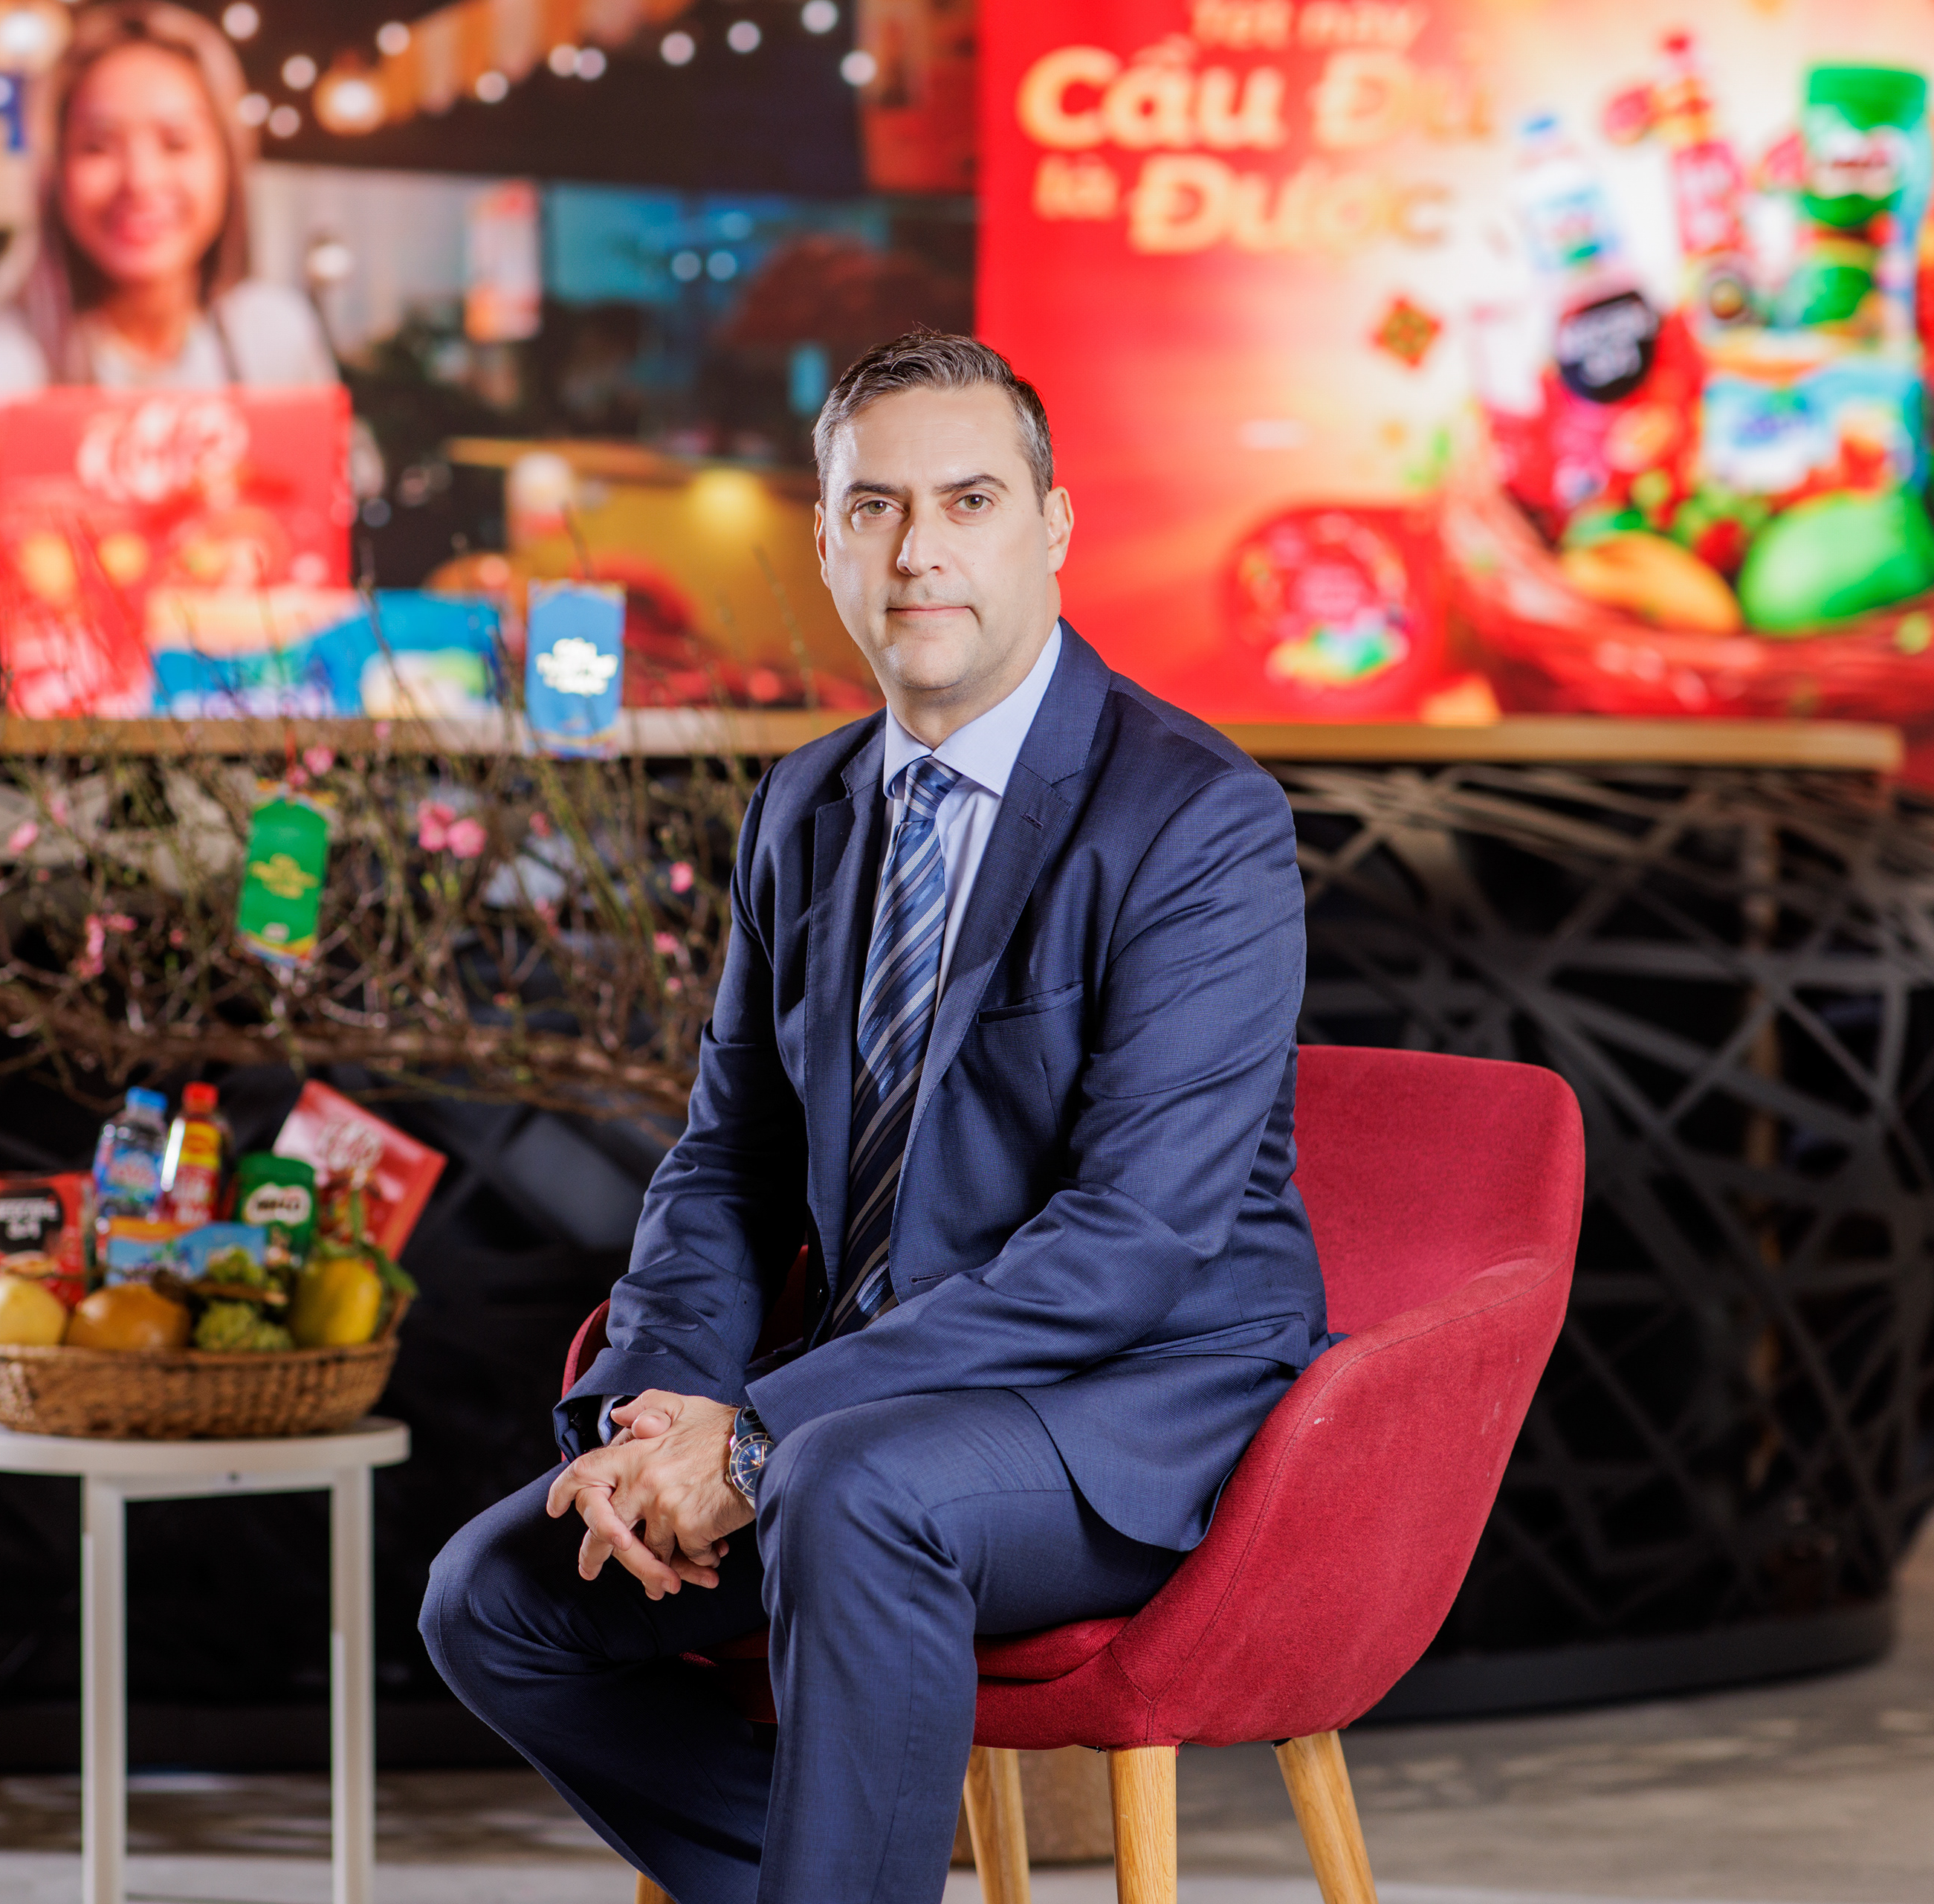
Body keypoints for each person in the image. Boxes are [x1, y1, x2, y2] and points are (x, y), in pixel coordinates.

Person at [419, 331, 1330, 1904]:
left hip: (1132, 1403)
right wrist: (657, 1407)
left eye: (969, 500)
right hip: (865, 1412)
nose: (919, 550)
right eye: (875, 507)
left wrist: (758, 1434)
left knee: (850, 1491)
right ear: (829, 540)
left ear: (1052, 526)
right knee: (489, 1596)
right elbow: (729, 1161)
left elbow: (1129, 1243)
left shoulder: (1196, 815)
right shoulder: (806, 804)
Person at [0, 0, 349, 544]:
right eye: (97, 147)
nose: (141, 180)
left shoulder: (274, 337)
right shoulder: (4, 363)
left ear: (227, 159)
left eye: (176, 142)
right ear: (56, 175)